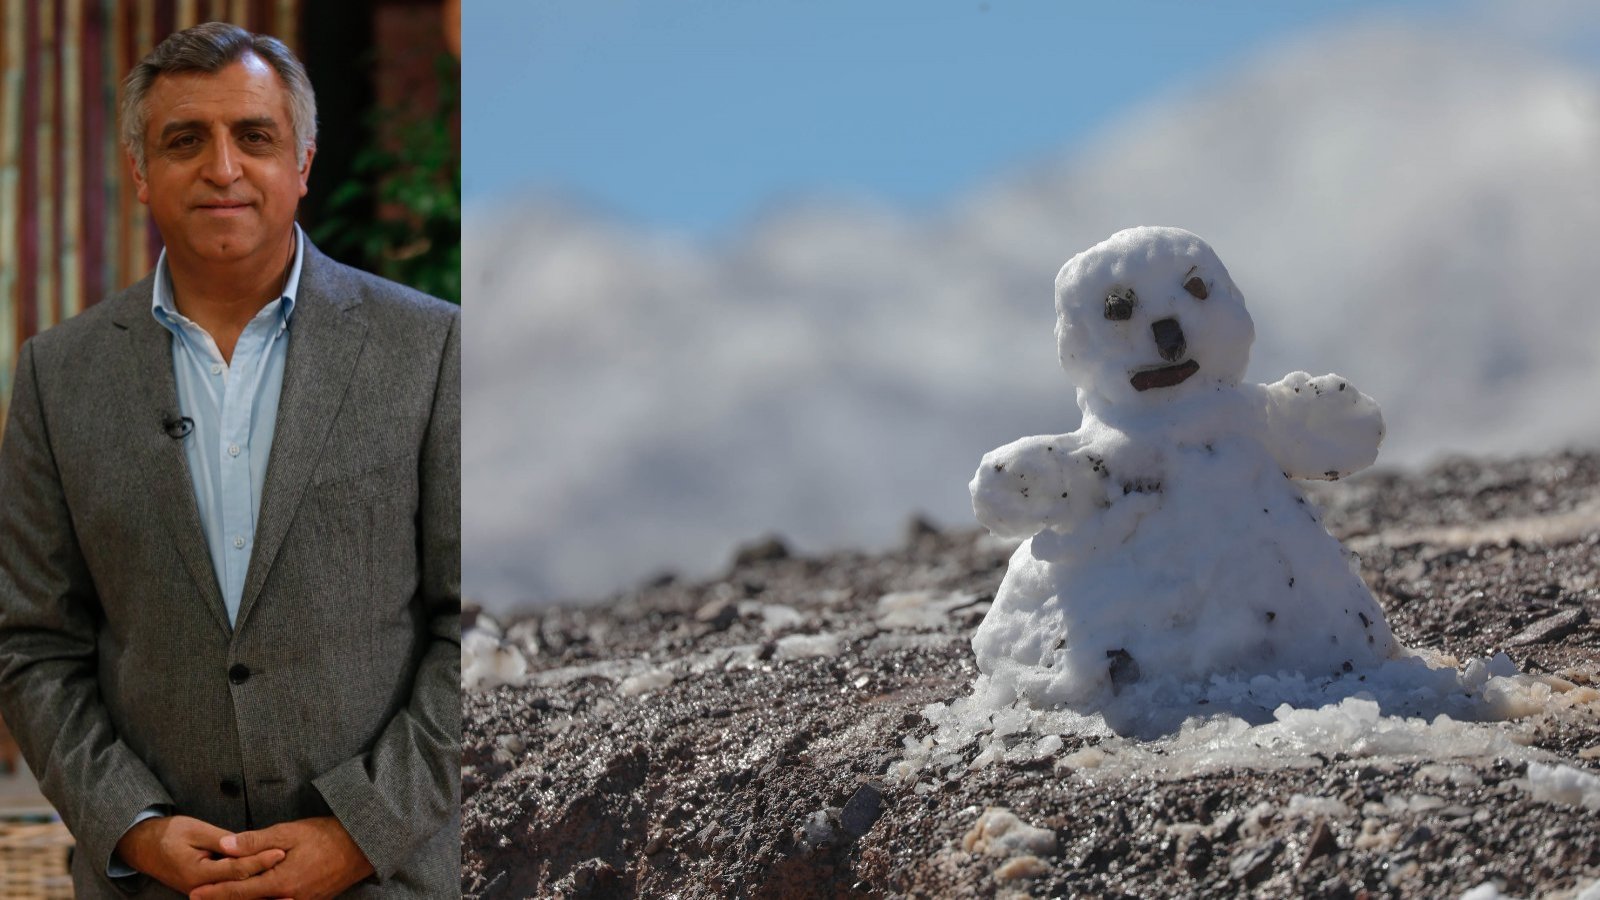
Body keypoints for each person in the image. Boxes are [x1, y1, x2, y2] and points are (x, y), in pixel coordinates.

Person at [0, 22, 459, 899]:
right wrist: (135, 828)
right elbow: (32, 645)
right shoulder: (59, 376)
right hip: (155, 884)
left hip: (383, 879)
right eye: (185, 140)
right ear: (140, 172)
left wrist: (360, 832)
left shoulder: (432, 350)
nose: (222, 168)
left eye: (254, 136)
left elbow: (472, 629)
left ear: (304, 162)